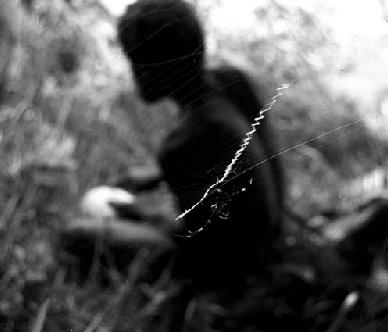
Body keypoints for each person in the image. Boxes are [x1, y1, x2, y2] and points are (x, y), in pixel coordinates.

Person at [117, 0, 284, 292]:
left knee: (77, 234)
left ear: (154, 66)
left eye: (136, 60)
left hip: (232, 269)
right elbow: (250, 156)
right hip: (274, 235)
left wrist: (139, 211)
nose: (133, 73)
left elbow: (192, 237)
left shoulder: (182, 143)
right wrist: (158, 175)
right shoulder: (232, 81)